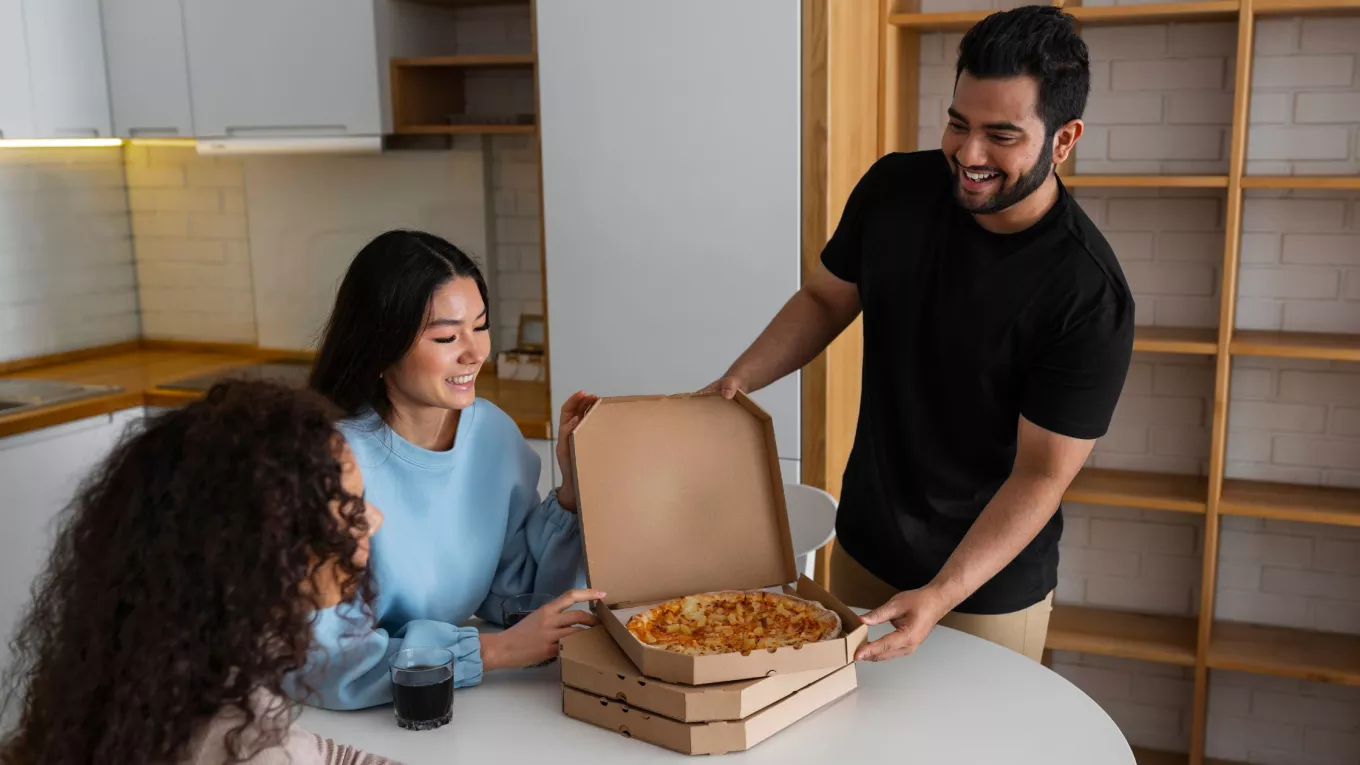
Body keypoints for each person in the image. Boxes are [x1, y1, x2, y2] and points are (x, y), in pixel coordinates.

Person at [705, 6, 1133, 663]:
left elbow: (1041, 475)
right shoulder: (893, 190)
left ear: (1065, 138)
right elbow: (824, 297)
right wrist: (738, 379)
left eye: (1001, 135)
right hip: (862, 550)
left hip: (985, 589)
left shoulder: (1088, 293)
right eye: (958, 124)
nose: (969, 154)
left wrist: (939, 592)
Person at [0, 381, 397, 765]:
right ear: (272, 547)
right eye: (352, 506)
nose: (374, 520)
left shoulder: (116, 691)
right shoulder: (256, 746)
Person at [302, 229, 602, 710]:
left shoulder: (491, 435)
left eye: (480, 326)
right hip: (335, 722)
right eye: (446, 336)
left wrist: (570, 490)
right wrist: (494, 651)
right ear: (381, 346)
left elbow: (516, 598)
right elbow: (322, 662)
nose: (475, 352)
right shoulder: (329, 461)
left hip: (453, 709)